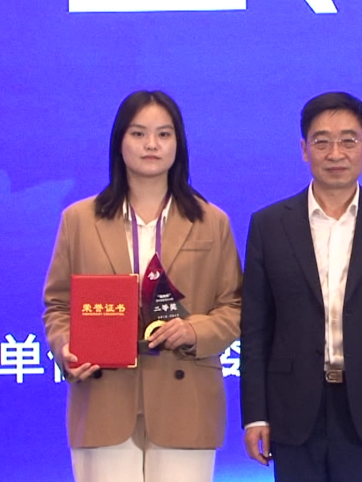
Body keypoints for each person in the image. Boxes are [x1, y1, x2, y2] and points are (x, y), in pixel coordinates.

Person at [43, 90, 242, 482]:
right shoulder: (79, 220)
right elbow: (58, 305)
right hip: (103, 396)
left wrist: (194, 331)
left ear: (178, 144)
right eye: (138, 134)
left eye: (164, 134)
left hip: (185, 397)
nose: (151, 144)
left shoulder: (211, 221)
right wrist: (66, 347)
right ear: (119, 142)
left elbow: (235, 306)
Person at [240, 91, 362, 482]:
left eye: (348, 140)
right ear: (304, 149)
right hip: (293, 410)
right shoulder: (269, 225)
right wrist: (256, 415)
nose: (335, 153)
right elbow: (256, 328)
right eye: (322, 141)